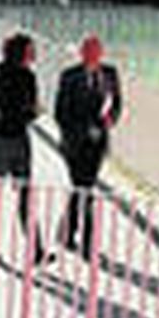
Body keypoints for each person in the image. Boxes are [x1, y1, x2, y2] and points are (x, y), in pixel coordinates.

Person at [0, 32, 46, 263]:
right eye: (30, 50)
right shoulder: (27, 77)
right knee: (25, 194)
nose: (34, 54)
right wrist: (35, 112)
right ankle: (36, 250)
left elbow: (3, 105)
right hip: (17, 140)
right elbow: (28, 110)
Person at [53, 35, 123, 258]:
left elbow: (118, 103)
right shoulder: (69, 76)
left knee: (83, 189)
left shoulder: (110, 73)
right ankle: (86, 243)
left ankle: (67, 233)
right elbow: (60, 112)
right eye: (88, 51)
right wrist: (85, 129)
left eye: (96, 51)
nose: (92, 55)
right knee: (85, 191)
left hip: (97, 144)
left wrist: (109, 120)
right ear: (82, 53)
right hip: (74, 144)